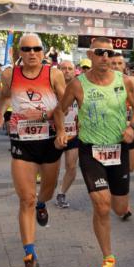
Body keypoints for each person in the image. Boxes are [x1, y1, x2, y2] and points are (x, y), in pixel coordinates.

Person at [53, 37, 134, 267]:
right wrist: (61, 131)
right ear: (91, 55)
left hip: (118, 149)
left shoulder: (123, 81)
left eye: (109, 52)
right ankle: (108, 258)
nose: (106, 57)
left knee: (119, 208)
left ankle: (118, 204)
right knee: (101, 204)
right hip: (90, 150)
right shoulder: (78, 85)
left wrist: (132, 126)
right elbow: (60, 110)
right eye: (100, 52)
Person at [0, 34, 66, 267]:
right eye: (27, 49)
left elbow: (65, 105)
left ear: (43, 51)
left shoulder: (53, 74)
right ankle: (30, 257)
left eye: (37, 48)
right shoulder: (9, 75)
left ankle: (44, 205)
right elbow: (3, 97)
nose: (32, 53)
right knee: (26, 199)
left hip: (49, 141)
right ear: (19, 51)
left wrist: (53, 123)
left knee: (46, 192)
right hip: (22, 142)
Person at [111, 54, 134, 181]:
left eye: (120, 63)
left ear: (124, 65)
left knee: (130, 167)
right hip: (110, 128)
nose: (116, 66)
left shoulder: (131, 81)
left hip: (129, 126)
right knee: (115, 165)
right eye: (113, 63)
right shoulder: (101, 82)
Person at [54, 60, 80, 209]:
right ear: (58, 70)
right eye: (63, 68)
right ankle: (46, 190)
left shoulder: (79, 87)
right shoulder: (52, 87)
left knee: (71, 166)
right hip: (54, 134)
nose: (67, 71)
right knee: (52, 169)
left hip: (73, 134)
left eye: (70, 68)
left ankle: (61, 193)